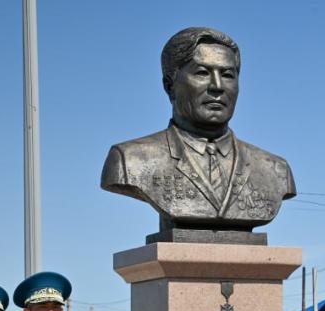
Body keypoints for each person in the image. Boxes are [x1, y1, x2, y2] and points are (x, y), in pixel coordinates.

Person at [101, 26, 295, 230]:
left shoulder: (276, 169)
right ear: (169, 85)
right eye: (202, 73)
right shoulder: (129, 159)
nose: (217, 86)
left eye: (228, 75)